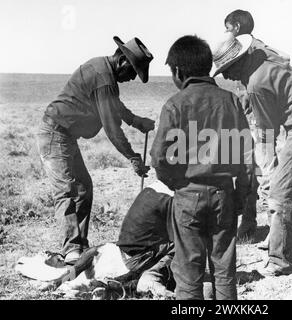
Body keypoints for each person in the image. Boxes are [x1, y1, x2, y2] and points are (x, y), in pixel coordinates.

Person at [212, 31, 292, 276]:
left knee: (280, 195)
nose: (227, 76)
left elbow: (266, 133)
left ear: (239, 62)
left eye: (228, 69)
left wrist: (266, 169)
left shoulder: (256, 83)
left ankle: (279, 261)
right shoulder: (265, 59)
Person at [36, 36, 155, 265]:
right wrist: (133, 158)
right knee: (67, 190)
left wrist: (136, 121)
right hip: (54, 133)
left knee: (83, 188)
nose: (131, 78)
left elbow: (113, 105)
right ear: (122, 60)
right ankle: (72, 251)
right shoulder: (103, 78)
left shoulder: (104, 71)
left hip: (65, 135)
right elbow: (111, 128)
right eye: (132, 72)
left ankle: (79, 247)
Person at [150, 35, 253, 300]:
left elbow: (160, 159)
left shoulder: (175, 105)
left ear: (178, 71)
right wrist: (240, 197)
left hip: (188, 197)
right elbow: (246, 157)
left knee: (188, 273)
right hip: (224, 195)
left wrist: (180, 186)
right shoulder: (231, 101)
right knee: (224, 271)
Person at [223, 10, 290, 240]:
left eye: (228, 28)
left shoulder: (258, 51)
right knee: (249, 173)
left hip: (262, 123)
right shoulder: (249, 51)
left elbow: (283, 61)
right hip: (251, 121)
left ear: (237, 29)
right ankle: (249, 224)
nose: (226, 33)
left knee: (266, 175)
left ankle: (276, 229)